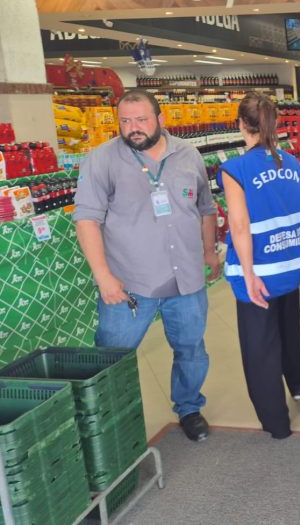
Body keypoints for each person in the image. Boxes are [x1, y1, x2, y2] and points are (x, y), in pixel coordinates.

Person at [74, 90, 220, 442]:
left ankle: (189, 407)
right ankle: (106, 421)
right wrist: (103, 276)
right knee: (112, 357)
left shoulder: (187, 154)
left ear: (161, 119)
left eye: (141, 120)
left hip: (186, 279)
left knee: (191, 350)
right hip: (129, 286)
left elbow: (205, 208)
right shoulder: (101, 160)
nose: (133, 128)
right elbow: (86, 219)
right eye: (125, 121)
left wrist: (209, 251)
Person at [217, 93, 300, 439]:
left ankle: (276, 422)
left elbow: (240, 226)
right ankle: (299, 384)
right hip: (291, 264)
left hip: (260, 271)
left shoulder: (236, 169)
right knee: (289, 329)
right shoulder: (292, 162)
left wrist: (248, 273)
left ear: (241, 124)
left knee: (261, 347)